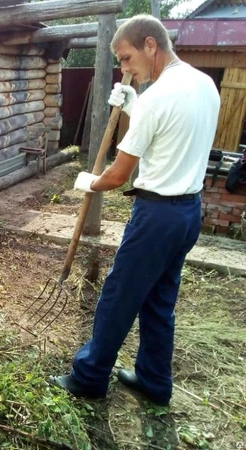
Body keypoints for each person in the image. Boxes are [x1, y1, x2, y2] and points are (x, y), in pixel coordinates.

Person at [49, 15, 220, 406]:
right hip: (189, 212)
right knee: (160, 301)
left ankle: (90, 377)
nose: (124, 69)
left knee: (118, 295)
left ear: (150, 45)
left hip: (156, 218)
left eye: (126, 58)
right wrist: (134, 104)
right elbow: (170, 138)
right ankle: (154, 382)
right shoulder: (203, 84)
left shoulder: (158, 98)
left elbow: (118, 175)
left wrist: (87, 182)